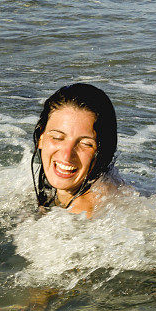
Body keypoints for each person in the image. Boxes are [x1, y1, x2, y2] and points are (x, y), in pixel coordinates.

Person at [32, 83, 122, 217]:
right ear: (41, 137)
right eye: (57, 137)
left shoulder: (84, 212)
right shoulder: (109, 184)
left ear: (102, 151)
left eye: (85, 144)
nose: (66, 155)